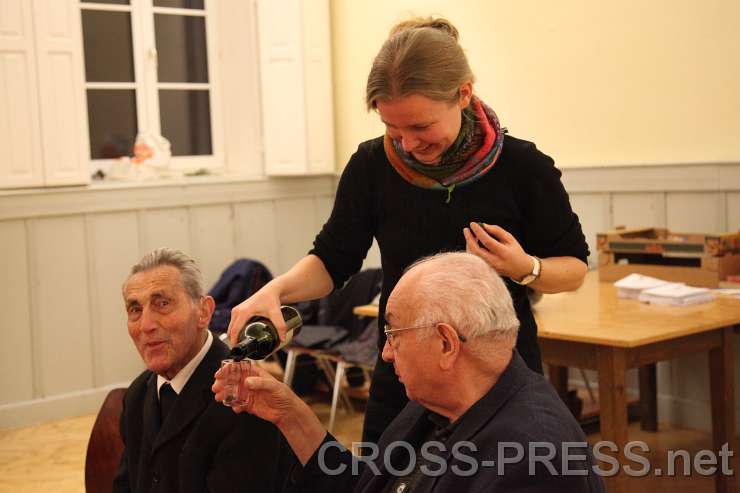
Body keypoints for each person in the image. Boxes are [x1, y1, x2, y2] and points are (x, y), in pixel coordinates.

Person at [227, 16, 590, 446]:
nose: (408, 144)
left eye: (420, 127)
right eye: (392, 129)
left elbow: (574, 269)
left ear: (464, 94)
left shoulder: (523, 167)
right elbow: (333, 259)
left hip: (496, 378)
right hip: (404, 373)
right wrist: (275, 292)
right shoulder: (371, 166)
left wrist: (524, 267)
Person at [215, 252, 604, 492]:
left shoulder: (532, 459)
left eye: (393, 335)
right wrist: (291, 414)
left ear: (446, 344)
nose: (384, 354)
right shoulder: (438, 403)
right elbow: (361, 486)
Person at [114, 248, 289, 493]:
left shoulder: (244, 399)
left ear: (204, 312)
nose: (146, 325)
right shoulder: (137, 395)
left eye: (162, 304)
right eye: (135, 310)